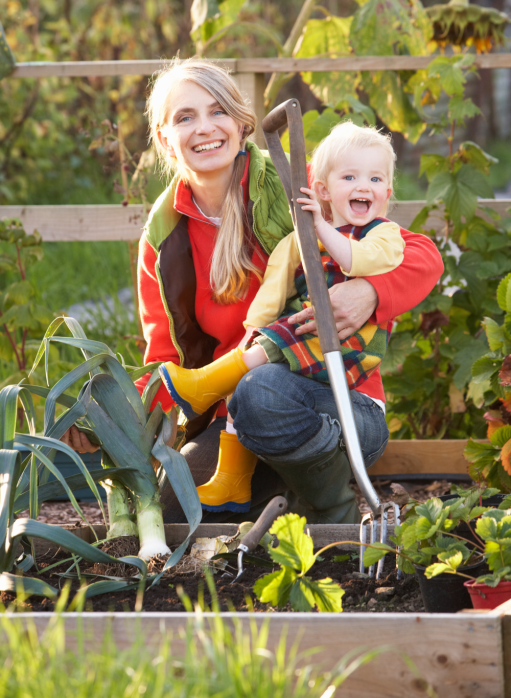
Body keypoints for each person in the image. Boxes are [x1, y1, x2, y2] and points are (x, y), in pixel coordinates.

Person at [62, 57, 443, 526]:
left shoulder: (295, 185)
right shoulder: (164, 240)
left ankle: (323, 504)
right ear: (164, 137)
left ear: (242, 123)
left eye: (217, 111)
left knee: (259, 387)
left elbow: (421, 254)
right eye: (185, 117)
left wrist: (371, 291)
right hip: (235, 424)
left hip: (333, 400)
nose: (205, 128)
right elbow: (166, 362)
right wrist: (106, 421)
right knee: (175, 506)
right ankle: (277, 500)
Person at [159, 121, 405, 514]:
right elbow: (274, 285)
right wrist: (252, 332)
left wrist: (320, 227)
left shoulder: (382, 235)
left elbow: (356, 259)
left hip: (347, 360)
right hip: (302, 360)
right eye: (350, 177)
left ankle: (329, 506)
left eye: (375, 179)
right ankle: (233, 477)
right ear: (322, 190)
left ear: (387, 192)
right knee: (252, 375)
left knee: (271, 359)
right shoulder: (298, 238)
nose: (364, 186)